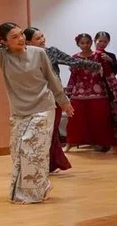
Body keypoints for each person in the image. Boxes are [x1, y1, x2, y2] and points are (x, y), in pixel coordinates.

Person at [0, 20, 72, 203]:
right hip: (20, 112)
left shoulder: (39, 53)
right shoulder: (2, 57)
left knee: (31, 148)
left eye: (21, 34)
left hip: (43, 108)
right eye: (14, 37)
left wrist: (64, 100)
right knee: (17, 151)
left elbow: (51, 79)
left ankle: (33, 193)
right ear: (4, 42)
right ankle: (38, 186)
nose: (21, 39)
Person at [23, 27, 99, 171]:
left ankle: (50, 164)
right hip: (34, 99)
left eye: (42, 36)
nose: (43, 40)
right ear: (28, 42)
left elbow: (73, 61)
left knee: (51, 131)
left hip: (54, 97)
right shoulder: (24, 55)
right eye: (38, 38)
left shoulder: (51, 52)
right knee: (38, 133)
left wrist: (96, 65)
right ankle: (39, 164)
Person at [64, 33, 117, 152]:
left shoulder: (99, 56)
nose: (85, 45)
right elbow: (73, 77)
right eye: (82, 43)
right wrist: (67, 92)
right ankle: (70, 143)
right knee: (74, 120)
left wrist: (115, 90)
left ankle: (107, 144)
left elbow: (109, 74)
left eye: (87, 42)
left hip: (98, 93)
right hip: (79, 94)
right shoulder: (75, 58)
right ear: (78, 44)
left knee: (101, 119)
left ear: (91, 42)